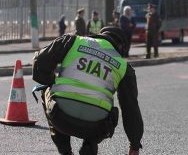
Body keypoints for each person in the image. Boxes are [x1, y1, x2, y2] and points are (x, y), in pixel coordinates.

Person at [32, 27, 144, 155]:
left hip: (60, 117)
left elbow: (39, 62)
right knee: (109, 112)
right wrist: (134, 145)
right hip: (96, 127)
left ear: (99, 36)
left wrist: (51, 81)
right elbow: (131, 109)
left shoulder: (73, 41)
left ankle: (65, 152)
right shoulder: (123, 67)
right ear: (121, 47)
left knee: (45, 87)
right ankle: (89, 148)